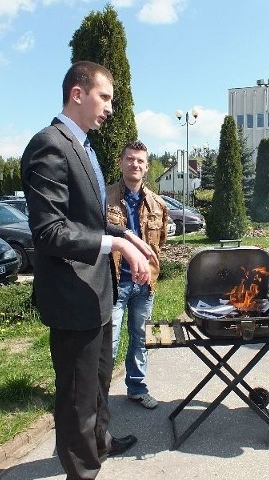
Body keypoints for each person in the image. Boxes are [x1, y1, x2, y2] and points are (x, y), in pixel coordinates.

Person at [21, 60, 158, 480]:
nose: (111, 108)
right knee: (77, 398)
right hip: (72, 297)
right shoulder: (49, 145)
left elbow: (89, 220)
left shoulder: (84, 146)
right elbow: (50, 232)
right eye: (105, 97)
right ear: (77, 94)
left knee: (98, 384)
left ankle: (101, 442)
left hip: (99, 293)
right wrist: (114, 242)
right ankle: (83, 471)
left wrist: (126, 234)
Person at [106, 140, 168, 410]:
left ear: (147, 167)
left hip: (144, 285)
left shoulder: (158, 204)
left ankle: (137, 388)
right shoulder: (103, 197)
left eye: (141, 161)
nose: (135, 164)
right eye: (130, 159)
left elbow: (159, 243)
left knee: (141, 338)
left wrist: (150, 270)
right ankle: (98, 397)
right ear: (121, 162)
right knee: (109, 340)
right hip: (114, 283)